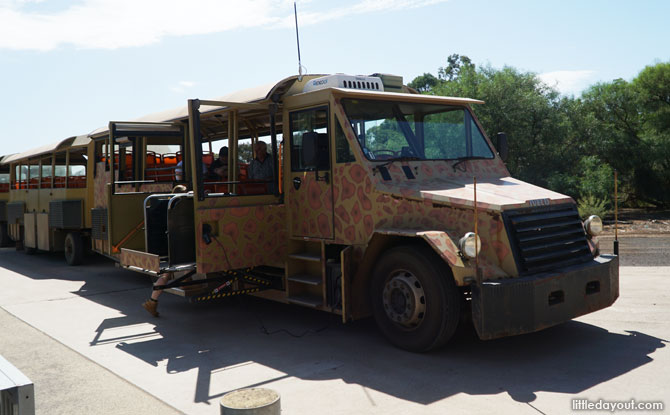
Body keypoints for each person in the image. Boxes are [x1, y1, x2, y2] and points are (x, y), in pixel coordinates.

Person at [141, 184, 188, 317]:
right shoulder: (176, 208)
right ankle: (152, 301)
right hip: (175, 245)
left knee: (167, 275)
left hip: (169, 245)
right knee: (167, 275)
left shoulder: (167, 207)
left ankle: (152, 301)